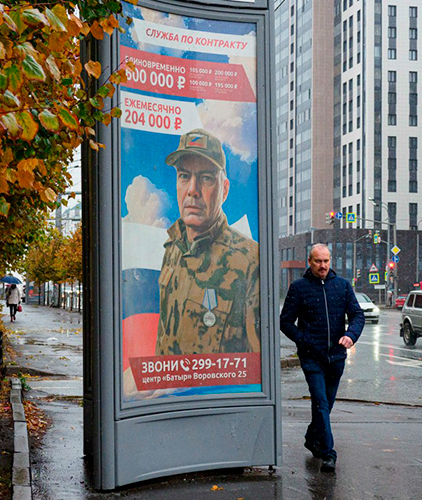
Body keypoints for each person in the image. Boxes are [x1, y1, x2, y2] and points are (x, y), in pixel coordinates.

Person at [155, 128, 260, 355]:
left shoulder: (250, 259)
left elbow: (256, 364)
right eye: (184, 176)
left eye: (206, 178)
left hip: (214, 390)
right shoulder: (172, 248)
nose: (193, 190)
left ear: (224, 190)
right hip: (166, 390)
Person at [279, 243, 364, 472]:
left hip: (336, 357)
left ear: (330, 261)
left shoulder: (343, 286)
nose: (322, 265)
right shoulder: (299, 288)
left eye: (326, 261)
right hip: (311, 358)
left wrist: (350, 335)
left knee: (326, 404)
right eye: (318, 261)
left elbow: (357, 315)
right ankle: (329, 453)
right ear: (310, 262)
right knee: (320, 402)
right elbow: (285, 321)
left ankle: (310, 437)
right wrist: (303, 340)